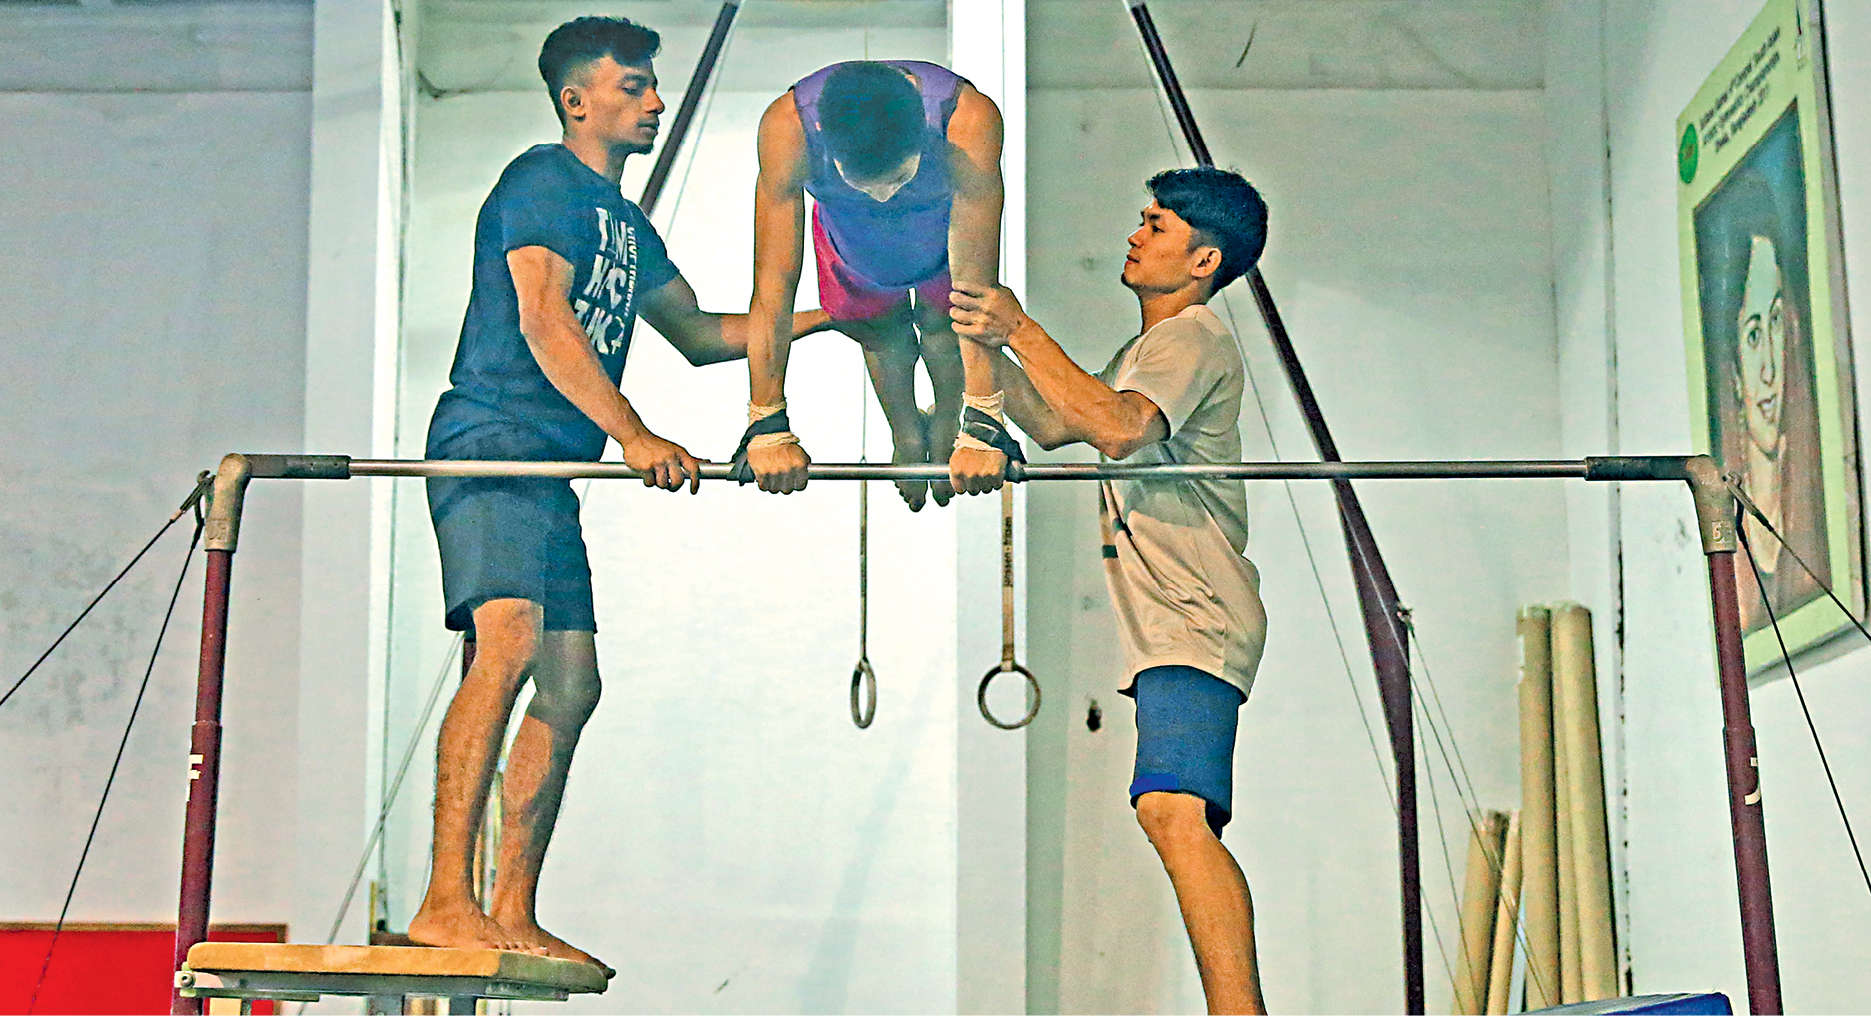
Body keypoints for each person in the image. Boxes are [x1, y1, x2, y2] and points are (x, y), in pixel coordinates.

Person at [409, 16, 826, 972]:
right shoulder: (540, 181)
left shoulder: (628, 227)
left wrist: (832, 316)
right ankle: (443, 900)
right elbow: (543, 317)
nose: (655, 102)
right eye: (633, 86)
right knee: (508, 645)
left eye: (651, 86)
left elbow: (704, 334)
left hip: (551, 472)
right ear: (575, 101)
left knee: (572, 683)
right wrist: (635, 435)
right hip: (493, 444)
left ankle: (511, 907)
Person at [948, 166, 1272, 1014]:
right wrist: (970, 348)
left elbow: (1120, 428)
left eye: (1156, 225)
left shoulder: (1190, 338)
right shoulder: (1143, 352)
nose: (1135, 234)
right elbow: (1061, 422)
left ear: (1203, 259)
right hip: (1170, 616)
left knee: (1172, 811)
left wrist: (1019, 327)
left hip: (1196, 611)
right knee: (1169, 810)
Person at [733, 60, 1008, 509]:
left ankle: (945, 422)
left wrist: (981, 420)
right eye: (864, 182)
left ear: (923, 135)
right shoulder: (788, 128)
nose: (884, 196)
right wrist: (766, 420)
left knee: (944, 327)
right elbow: (772, 286)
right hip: (850, 240)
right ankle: (905, 431)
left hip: (944, 236)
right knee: (880, 334)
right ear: (824, 137)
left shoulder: (967, 121)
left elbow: (977, 291)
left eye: (899, 178)